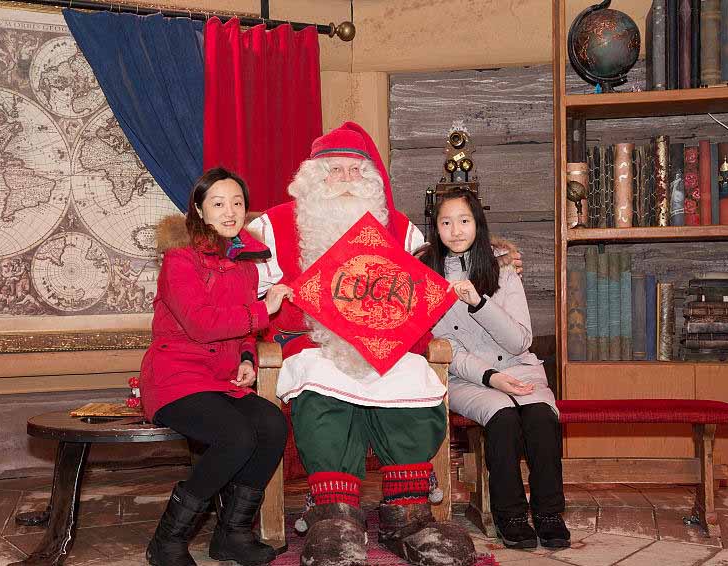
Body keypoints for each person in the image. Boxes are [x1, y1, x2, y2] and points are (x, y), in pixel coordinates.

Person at [247, 122, 522, 566]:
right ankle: (334, 513)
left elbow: (442, 270)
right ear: (314, 178)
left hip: (388, 344)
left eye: (357, 171)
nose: (346, 181)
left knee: (413, 378)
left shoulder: (401, 229)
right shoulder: (271, 227)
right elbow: (245, 296)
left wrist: (497, 253)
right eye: (335, 171)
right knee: (323, 381)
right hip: (314, 344)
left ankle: (408, 512)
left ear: (372, 180)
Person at [140, 167, 293, 566]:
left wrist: (246, 357)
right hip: (175, 377)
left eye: (238, 203)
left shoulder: (245, 263)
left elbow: (241, 329)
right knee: (237, 436)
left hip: (219, 379)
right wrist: (264, 309)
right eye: (218, 203)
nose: (230, 212)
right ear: (199, 210)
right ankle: (167, 541)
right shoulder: (180, 259)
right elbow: (202, 324)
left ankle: (232, 535)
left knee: (273, 425)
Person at [424, 189, 570, 550]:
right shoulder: (426, 274)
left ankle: (549, 513)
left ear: (477, 224)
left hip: (519, 367)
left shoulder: (503, 269)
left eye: (463, 221)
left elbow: (521, 340)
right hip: (466, 377)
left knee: (541, 416)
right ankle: (511, 516)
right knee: (502, 417)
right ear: (436, 227)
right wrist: (490, 377)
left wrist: (478, 302)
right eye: (446, 222)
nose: (455, 231)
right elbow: (445, 349)